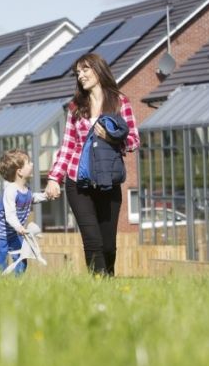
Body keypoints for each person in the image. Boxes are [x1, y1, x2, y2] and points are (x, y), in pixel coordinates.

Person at [45, 52, 139, 276]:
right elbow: (67, 145)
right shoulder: (76, 107)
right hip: (78, 182)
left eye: (85, 70)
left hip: (107, 180)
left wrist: (110, 138)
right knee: (92, 241)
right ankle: (97, 288)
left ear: (98, 69)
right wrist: (53, 178)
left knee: (108, 245)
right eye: (78, 72)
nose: (81, 75)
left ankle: (108, 285)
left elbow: (134, 140)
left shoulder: (119, 102)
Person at [0, 148, 50, 274]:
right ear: (20, 171)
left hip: (14, 234)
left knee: (22, 260)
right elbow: (10, 215)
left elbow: (32, 198)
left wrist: (47, 196)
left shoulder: (26, 189)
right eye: (28, 162)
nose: (32, 164)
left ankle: (17, 285)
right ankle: (0, 287)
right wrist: (19, 227)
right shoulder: (11, 191)